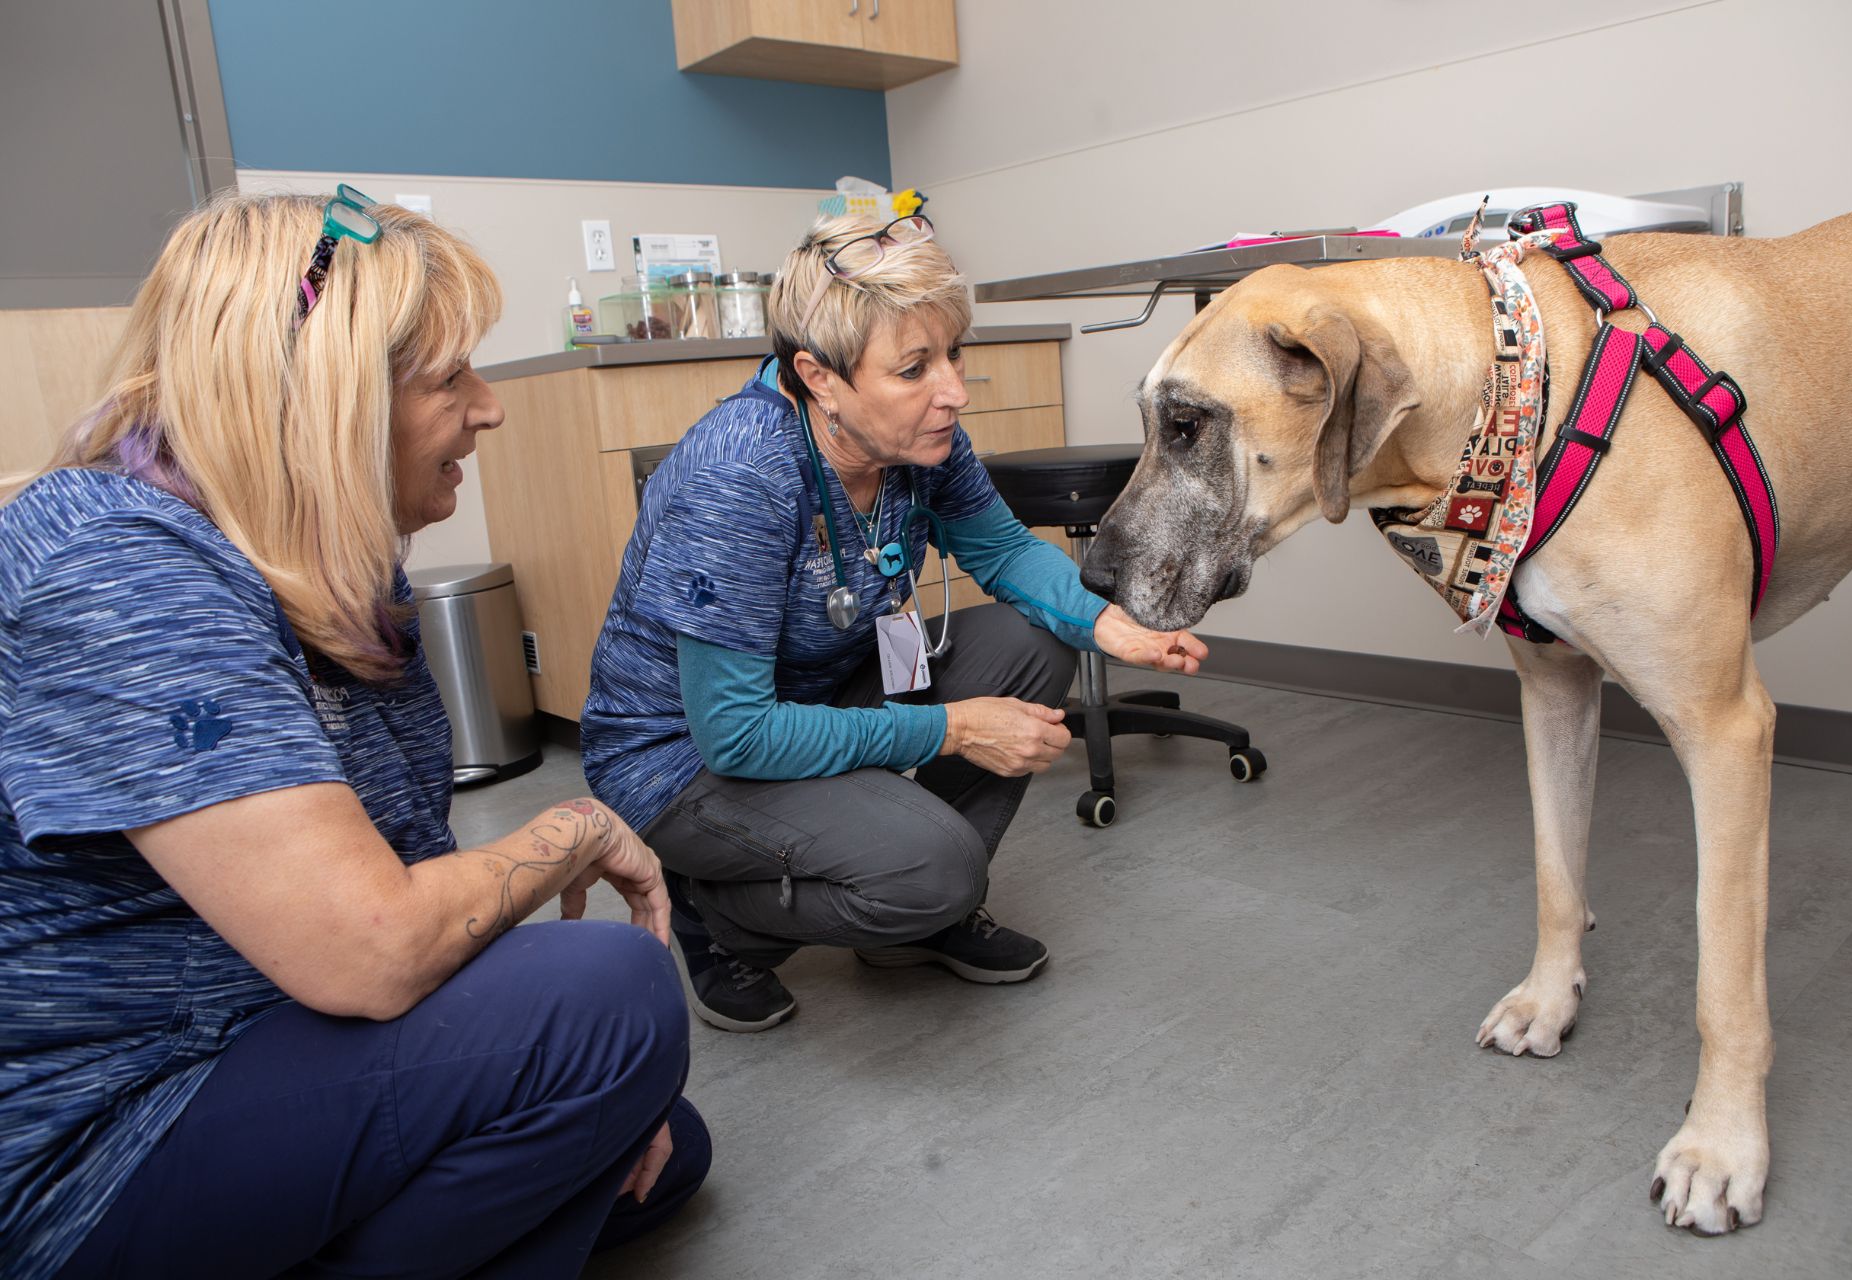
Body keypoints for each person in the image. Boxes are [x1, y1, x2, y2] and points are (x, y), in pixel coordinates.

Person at [0, 192, 708, 1280]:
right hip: (101, 1125)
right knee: (609, 1006)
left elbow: (408, 855)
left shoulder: (333, 568)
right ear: (321, 399)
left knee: (658, 1130)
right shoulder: (117, 564)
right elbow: (374, 949)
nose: (489, 407)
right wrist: (571, 830)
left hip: (253, 1031)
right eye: (449, 376)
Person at [581, 212, 1206, 1033]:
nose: (952, 390)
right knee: (939, 869)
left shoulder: (916, 439)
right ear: (821, 377)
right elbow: (733, 733)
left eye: (954, 355)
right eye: (915, 368)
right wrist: (951, 729)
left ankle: (910, 923)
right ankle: (720, 919)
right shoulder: (739, 478)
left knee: (1031, 642)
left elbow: (1006, 552)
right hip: (684, 758)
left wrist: (1110, 626)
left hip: (816, 693)